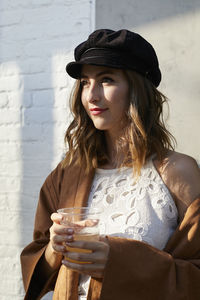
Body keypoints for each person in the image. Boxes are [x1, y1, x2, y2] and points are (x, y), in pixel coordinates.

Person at [21, 29, 200, 300]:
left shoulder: (177, 172)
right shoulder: (65, 174)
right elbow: (37, 276)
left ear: (137, 90)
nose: (91, 95)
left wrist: (119, 262)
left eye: (106, 79)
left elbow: (195, 276)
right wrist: (54, 248)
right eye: (84, 82)